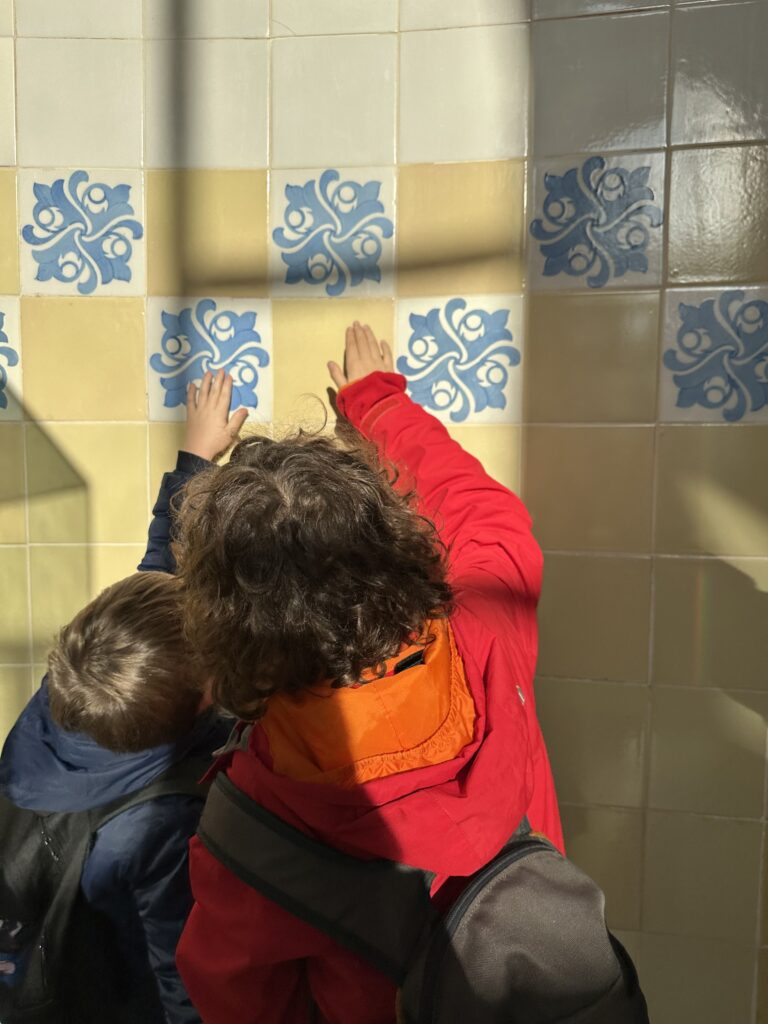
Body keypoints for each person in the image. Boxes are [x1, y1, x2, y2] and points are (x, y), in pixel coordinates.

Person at [174, 324, 564, 1024]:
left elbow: (244, 1007)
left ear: (225, 624)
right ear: (399, 540)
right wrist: (377, 400)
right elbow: (484, 512)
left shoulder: (252, 820)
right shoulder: (489, 632)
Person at [0, 370, 246, 1023]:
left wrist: (195, 462)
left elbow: (157, 576)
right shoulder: (157, 825)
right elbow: (180, 967)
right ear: (204, 701)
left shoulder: (68, 696)